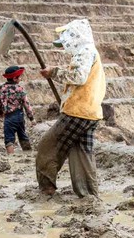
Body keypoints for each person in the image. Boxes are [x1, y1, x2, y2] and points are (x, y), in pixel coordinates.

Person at [36, 19, 106, 198]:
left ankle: (47, 189)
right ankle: (89, 195)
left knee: (48, 146)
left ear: (76, 39)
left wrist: (54, 72)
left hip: (78, 112)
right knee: (81, 153)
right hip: (91, 112)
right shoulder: (92, 53)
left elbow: (78, 76)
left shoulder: (84, 52)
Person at [0, 65, 35, 154]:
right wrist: (31, 118)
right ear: (15, 78)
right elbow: (26, 104)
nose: (21, 79)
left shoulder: (2, 88)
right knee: (22, 135)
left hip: (8, 117)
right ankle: (28, 154)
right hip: (19, 115)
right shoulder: (20, 89)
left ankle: (11, 158)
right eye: (20, 77)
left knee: (9, 139)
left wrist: (1, 113)